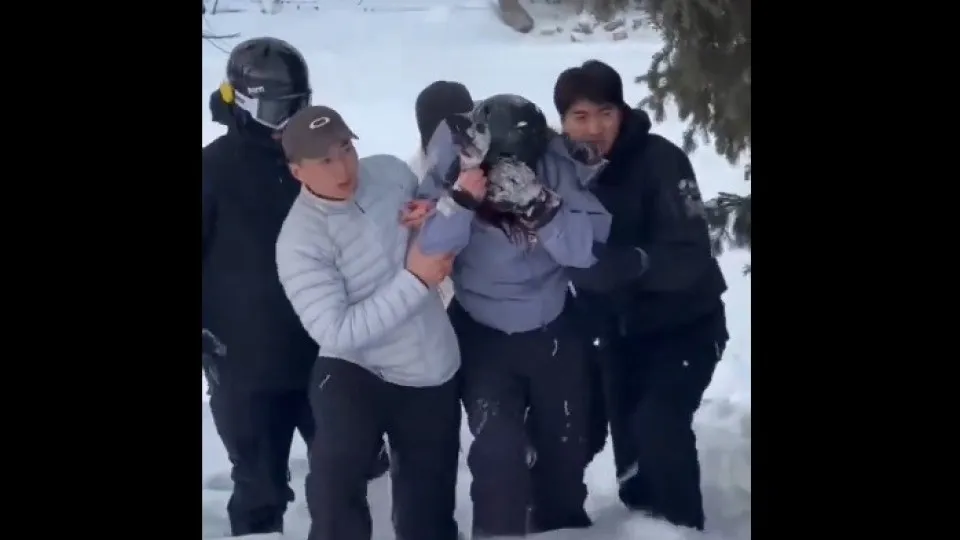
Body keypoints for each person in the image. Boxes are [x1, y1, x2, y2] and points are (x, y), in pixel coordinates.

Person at [201, 37, 387, 537]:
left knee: (350, 470)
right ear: (241, 101)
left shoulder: (323, 161)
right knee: (259, 484)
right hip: (246, 362)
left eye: (298, 105)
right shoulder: (214, 170)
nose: (290, 120)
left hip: (327, 351)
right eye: (278, 108)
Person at [409, 94, 611, 538]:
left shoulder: (556, 164)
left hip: (553, 326)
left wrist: (541, 206)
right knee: (498, 450)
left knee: (564, 448)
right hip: (483, 330)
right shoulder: (453, 160)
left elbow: (586, 250)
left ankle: (559, 527)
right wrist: (463, 196)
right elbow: (428, 246)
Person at [553, 59, 729, 531]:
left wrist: (632, 262)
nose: (593, 128)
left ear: (622, 112)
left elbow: (692, 255)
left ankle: (680, 525)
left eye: (604, 113)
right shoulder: (558, 169)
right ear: (563, 122)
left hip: (684, 326)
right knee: (585, 427)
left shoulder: (661, 161)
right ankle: (560, 519)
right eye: (580, 117)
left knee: (658, 422)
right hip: (609, 331)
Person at [275, 105, 463, 540]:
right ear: (297, 171)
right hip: (357, 369)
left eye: (345, 148)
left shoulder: (392, 173)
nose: (343, 167)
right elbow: (334, 331)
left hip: (431, 364)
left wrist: (431, 211)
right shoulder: (299, 242)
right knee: (335, 486)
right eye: (324, 160)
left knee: (430, 511)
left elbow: (436, 218)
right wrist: (416, 278)